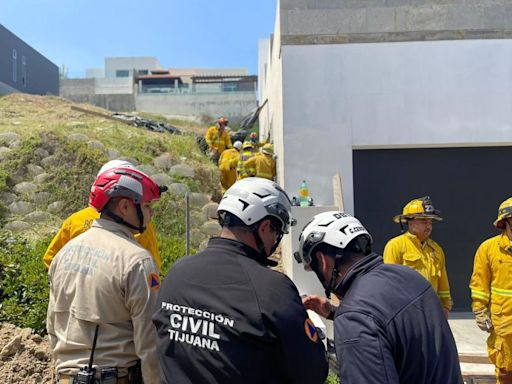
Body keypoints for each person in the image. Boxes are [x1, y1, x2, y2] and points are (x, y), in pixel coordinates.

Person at [153, 177, 328, 384]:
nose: (275, 243)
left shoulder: (176, 273)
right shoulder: (272, 288)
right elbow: (312, 372)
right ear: (264, 226)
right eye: (277, 233)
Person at [295, 211, 463, 384]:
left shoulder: (355, 316)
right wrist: (334, 312)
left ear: (322, 261)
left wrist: (348, 315)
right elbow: (394, 327)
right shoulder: (410, 277)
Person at [47, 166, 163, 384]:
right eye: (147, 205)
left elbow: (53, 324)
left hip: (65, 377)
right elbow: (149, 341)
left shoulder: (65, 252)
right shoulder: (137, 260)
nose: (151, 213)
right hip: (115, 376)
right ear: (125, 206)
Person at [42, 159, 161, 270]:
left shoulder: (74, 220)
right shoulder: (140, 224)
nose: (150, 212)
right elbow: (152, 267)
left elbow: (51, 260)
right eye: (146, 205)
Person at [383, 196, 452, 316]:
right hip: (405, 312)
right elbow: (389, 283)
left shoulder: (436, 249)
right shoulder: (395, 246)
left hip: (431, 312)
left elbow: (443, 284)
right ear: (410, 222)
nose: (428, 226)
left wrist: (446, 306)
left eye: (430, 222)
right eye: (424, 221)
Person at [470, 197, 512, 384]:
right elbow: (479, 284)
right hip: (503, 323)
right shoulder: (488, 249)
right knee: (505, 371)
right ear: (507, 221)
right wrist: (480, 311)